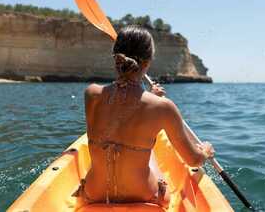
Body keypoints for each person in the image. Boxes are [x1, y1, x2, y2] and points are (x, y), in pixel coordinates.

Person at [81, 25, 215, 207]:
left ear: (116, 59)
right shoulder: (163, 107)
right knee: (148, 147)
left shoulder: (91, 94)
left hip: (92, 193)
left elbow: (121, 109)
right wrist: (205, 151)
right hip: (144, 196)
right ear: (148, 62)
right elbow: (193, 160)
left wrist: (150, 96)